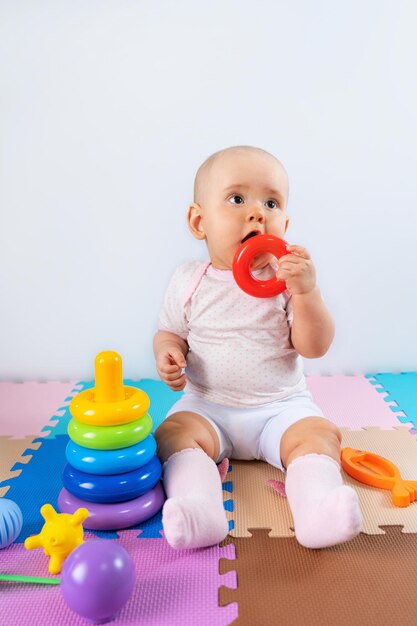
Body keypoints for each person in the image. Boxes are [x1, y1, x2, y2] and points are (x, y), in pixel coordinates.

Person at [153, 145, 362, 550]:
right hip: (207, 405)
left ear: (284, 222)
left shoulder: (286, 283)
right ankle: (200, 508)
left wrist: (307, 292)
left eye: (271, 202)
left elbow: (314, 346)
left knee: (318, 435)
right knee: (171, 435)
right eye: (237, 199)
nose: (257, 213)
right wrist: (168, 353)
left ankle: (318, 509)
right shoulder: (188, 281)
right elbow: (170, 332)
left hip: (281, 407)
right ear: (199, 222)